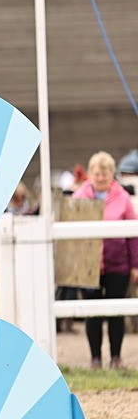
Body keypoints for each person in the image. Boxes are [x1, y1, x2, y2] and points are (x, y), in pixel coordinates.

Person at [72, 151, 138, 369]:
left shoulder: (123, 198)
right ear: (91, 174)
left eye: (105, 173)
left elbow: (133, 235)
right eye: (97, 173)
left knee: (116, 312)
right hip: (88, 266)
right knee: (92, 313)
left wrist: (135, 265)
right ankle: (95, 358)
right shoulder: (79, 198)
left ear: (112, 174)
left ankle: (116, 357)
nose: (101, 178)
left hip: (117, 265)